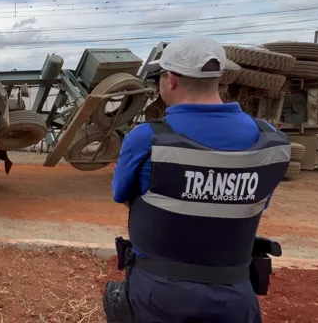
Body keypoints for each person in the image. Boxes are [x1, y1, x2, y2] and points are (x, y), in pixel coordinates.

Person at [105, 34, 291, 322]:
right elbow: (254, 203)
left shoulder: (148, 138)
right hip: (236, 295)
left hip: (158, 295)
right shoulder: (272, 141)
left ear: (171, 79)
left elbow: (122, 195)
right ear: (218, 79)